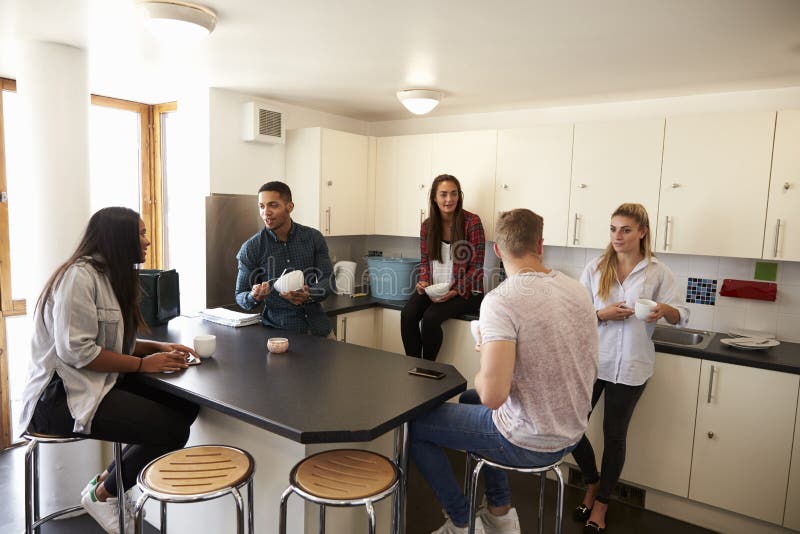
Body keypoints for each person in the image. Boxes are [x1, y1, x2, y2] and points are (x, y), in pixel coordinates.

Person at [409, 209, 598, 534]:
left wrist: (486, 359)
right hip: (572, 433)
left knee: (414, 425)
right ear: (541, 244)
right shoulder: (577, 290)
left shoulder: (502, 300)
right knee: (469, 400)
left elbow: (494, 396)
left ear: (497, 249)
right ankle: (499, 512)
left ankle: (461, 522)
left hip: (528, 439)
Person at [19, 207, 200, 534]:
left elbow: (111, 342)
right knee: (172, 430)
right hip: (58, 400)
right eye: (141, 234)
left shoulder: (110, 276)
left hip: (91, 383)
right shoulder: (79, 277)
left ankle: (105, 482)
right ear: (119, 239)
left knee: (186, 405)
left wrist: (155, 348)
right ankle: (105, 494)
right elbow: (78, 351)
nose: (147, 241)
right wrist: (144, 365)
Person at [573, 203, 689, 533]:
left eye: (625, 230)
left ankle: (603, 503)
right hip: (594, 362)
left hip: (632, 367)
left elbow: (681, 316)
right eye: (613, 229)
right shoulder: (595, 267)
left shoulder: (657, 272)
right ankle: (592, 483)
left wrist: (664, 309)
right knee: (571, 426)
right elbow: (576, 315)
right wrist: (600, 315)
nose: (617, 236)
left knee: (614, 437)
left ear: (642, 232)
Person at [401, 174, 485, 360]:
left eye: (454, 194)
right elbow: (425, 262)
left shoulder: (472, 223)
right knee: (408, 314)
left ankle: (428, 368)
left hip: (467, 293)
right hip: (435, 288)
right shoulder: (428, 226)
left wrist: (455, 291)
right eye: (444, 194)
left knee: (431, 318)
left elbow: (477, 267)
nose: (449, 199)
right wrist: (423, 281)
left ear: (459, 195)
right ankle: (412, 364)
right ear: (434, 197)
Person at [235, 181, 334, 337]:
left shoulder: (313, 238)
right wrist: (253, 296)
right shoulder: (251, 248)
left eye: (273, 205)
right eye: (262, 206)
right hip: (280, 335)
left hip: (320, 330)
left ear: (290, 207)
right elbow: (240, 295)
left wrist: (310, 293)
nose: (266, 212)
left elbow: (328, 280)